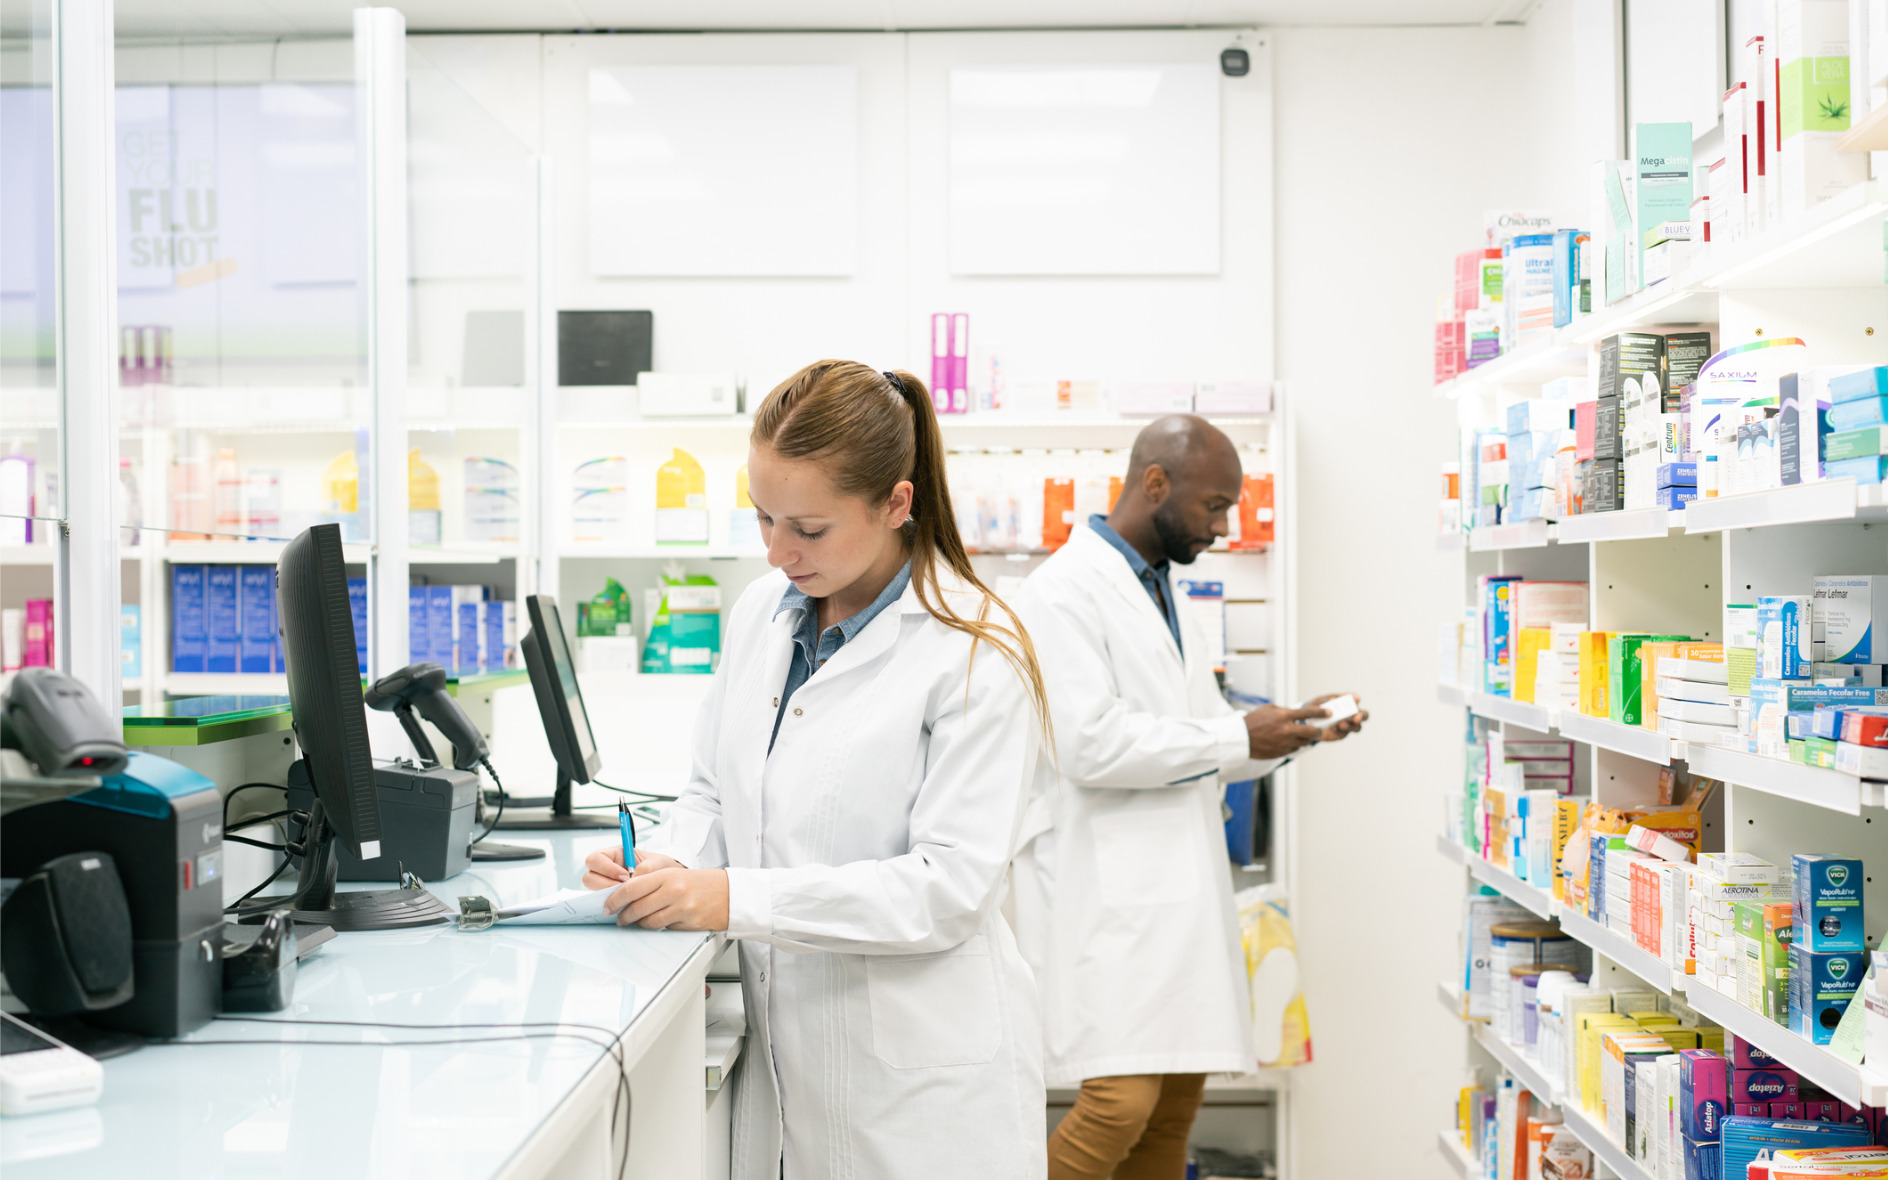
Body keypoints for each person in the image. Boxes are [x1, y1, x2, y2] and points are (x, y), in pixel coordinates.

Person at [582, 360, 1052, 1180]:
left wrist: (731, 897)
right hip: (790, 1065)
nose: (775, 551)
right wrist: (671, 866)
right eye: (763, 518)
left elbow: (947, 887)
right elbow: (711, 789)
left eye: (808, 528)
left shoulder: (973, 649)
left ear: (896, 504)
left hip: (924, 1097)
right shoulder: (760, 615)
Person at [1012, 414, 1367, 1180]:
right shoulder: (1063, 592)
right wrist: (1240, 737)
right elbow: (1089, 744)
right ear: (1155, 483)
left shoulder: (1161, 589)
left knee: (1174, 1108)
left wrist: (1292, 731)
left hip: (1178, 896)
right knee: (1119, 1104)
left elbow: (1197, 739)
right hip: (1110, 901)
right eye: (1214, 505)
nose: (1224, 523)